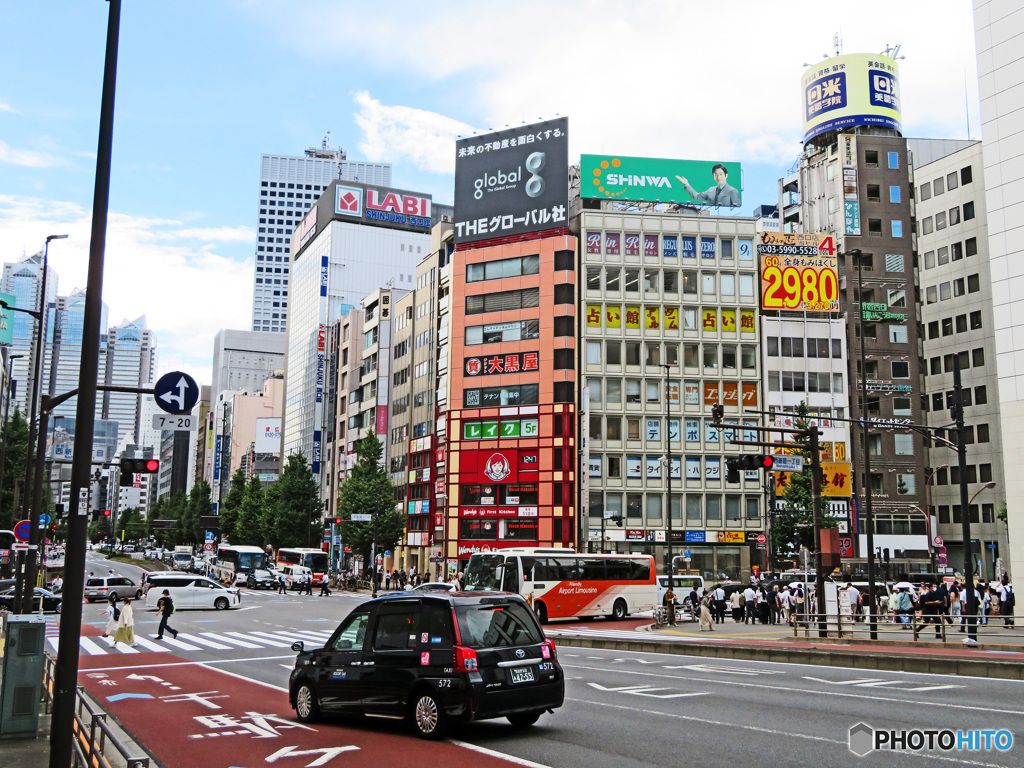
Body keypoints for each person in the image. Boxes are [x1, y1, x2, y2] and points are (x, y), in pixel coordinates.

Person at [675, 163, 740, 207]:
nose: (718, 177)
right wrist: (686, 184)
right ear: (713, 177)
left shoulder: (732, 191)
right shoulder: (711, 190)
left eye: (721, 174)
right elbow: (696, 197)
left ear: (726, 175)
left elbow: (736, 208)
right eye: (716, 175)